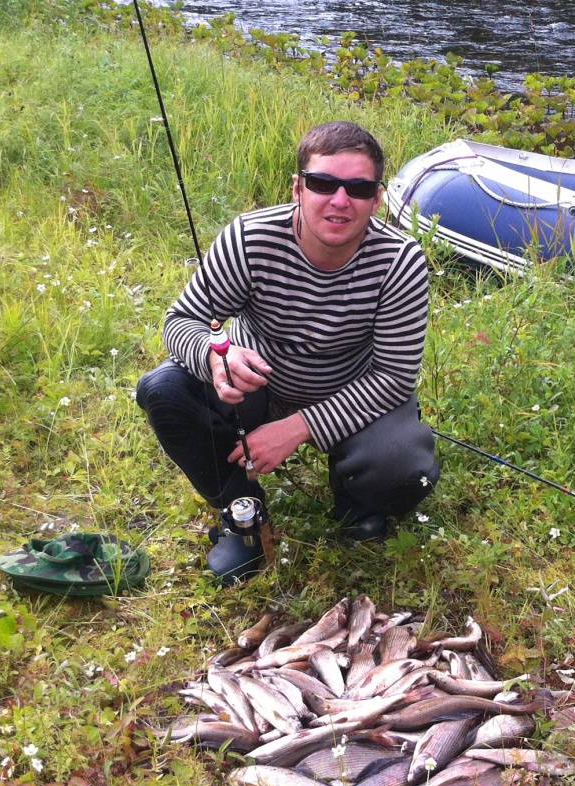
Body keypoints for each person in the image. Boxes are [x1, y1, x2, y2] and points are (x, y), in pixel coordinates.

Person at [135, 121, 439, 583]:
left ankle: (357, 506)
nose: (340, 200)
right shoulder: (250, 239)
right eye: (323, 183)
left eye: (358, 188)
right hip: (257, 387)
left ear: (377, 200)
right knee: (162, 389)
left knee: (405, 462)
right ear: (298, 187)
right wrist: (216, 358)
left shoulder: (401, 262)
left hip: (351, 395)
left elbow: (394, 378)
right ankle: (244, 513)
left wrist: (298, 427)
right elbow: (181, 322)